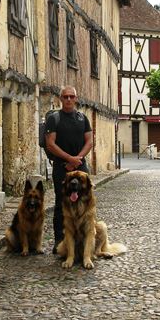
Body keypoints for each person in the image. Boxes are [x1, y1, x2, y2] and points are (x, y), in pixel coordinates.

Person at [45, 85, 93, 253]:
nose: (68, 100)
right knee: (60, 204)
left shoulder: (82, 118)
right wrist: (69, 159)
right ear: (61, 99)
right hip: (61, 166)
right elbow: (50, 144)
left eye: (71, 97)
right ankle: (59, 241)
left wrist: (77, 159)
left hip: (80, 166)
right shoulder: (54, 119)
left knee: (85, 202)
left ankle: (84, 239)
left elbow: (89, 141)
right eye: (65, 97)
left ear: (76, 99)